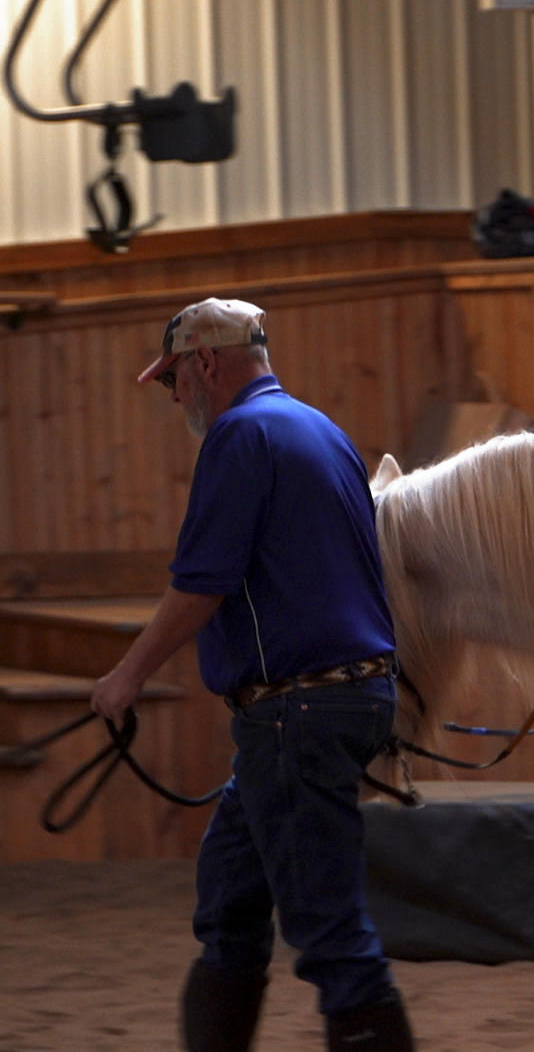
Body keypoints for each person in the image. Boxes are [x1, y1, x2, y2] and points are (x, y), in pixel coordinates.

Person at [90, 298, 414, 1052]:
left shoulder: (240, 437)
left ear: (205, 361)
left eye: (173, 380)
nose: (176, 398)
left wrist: (127, 675)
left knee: (329, 934)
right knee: (231, 900)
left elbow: (203, 582)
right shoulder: (320, 430)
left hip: (293, 711)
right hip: (343, 699)